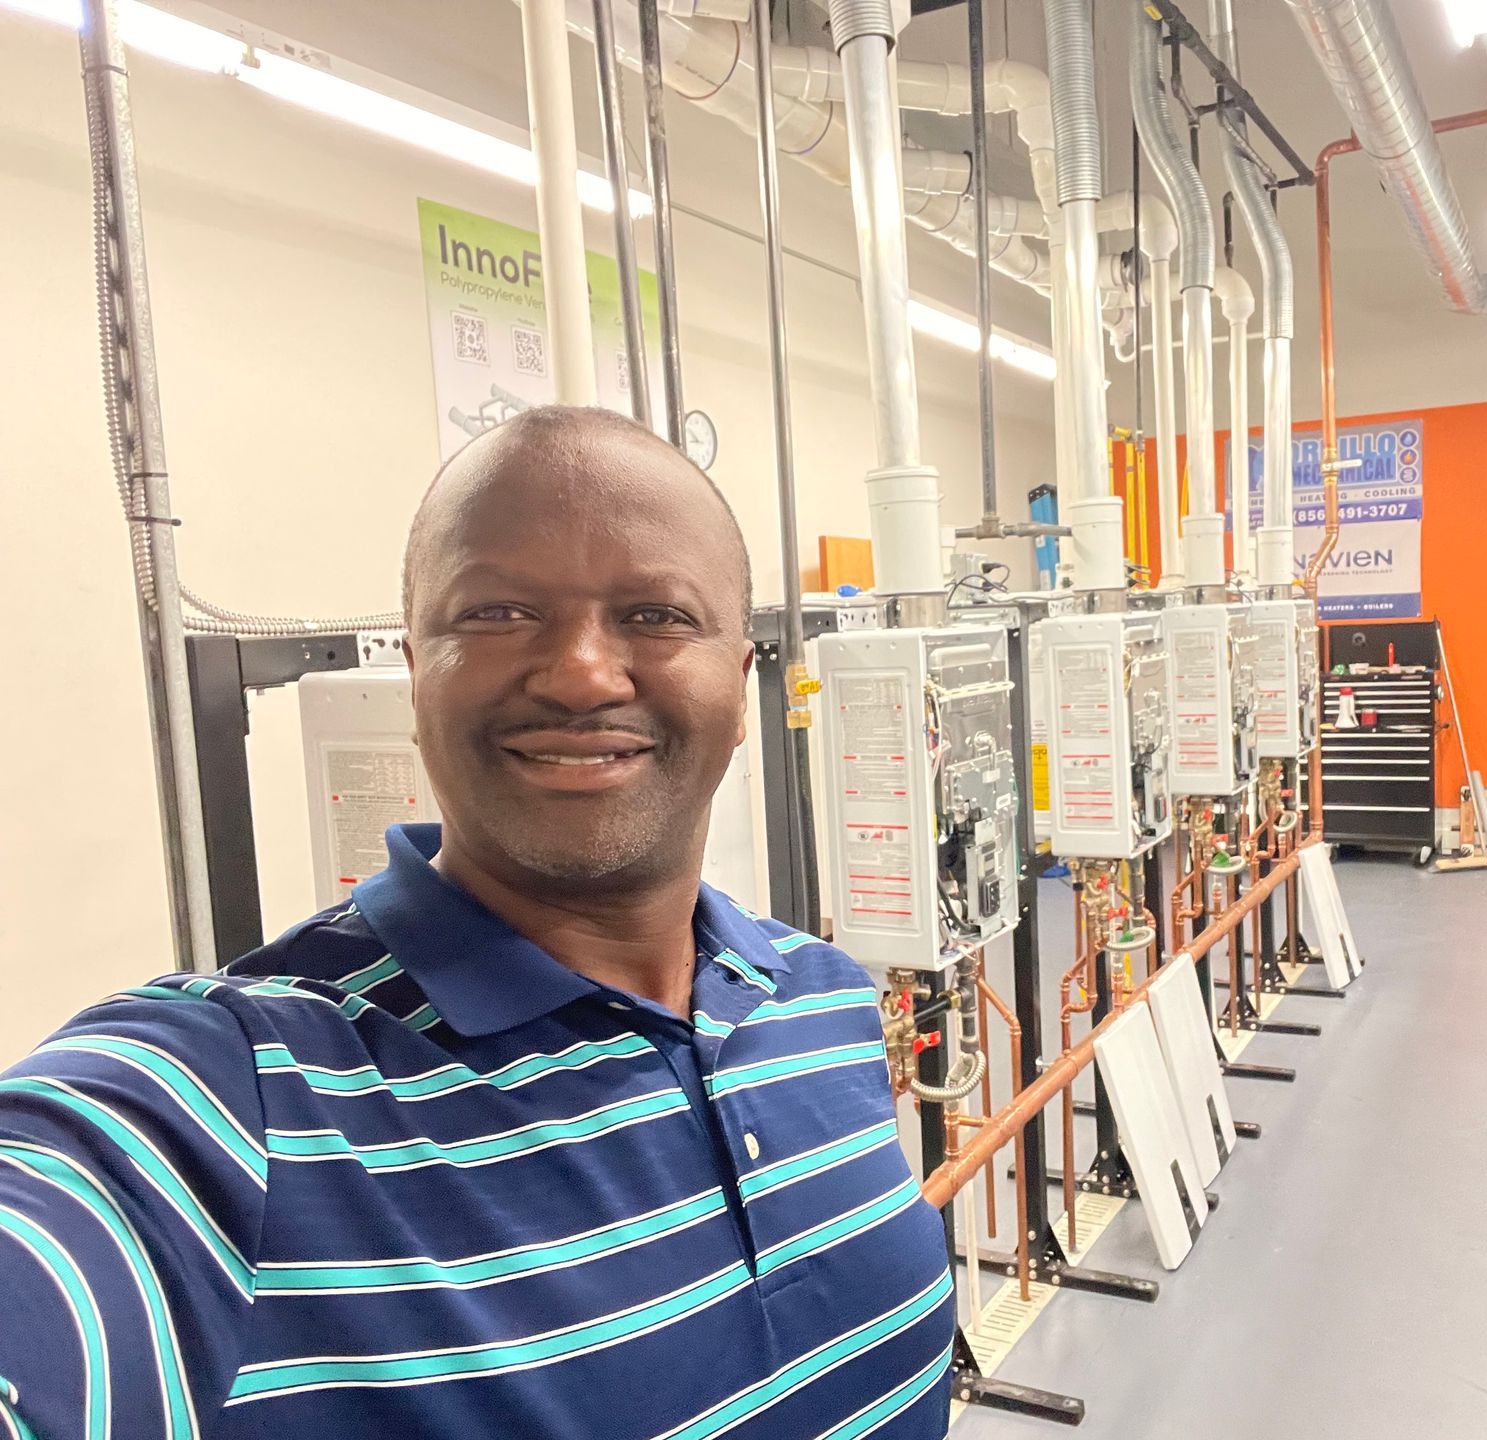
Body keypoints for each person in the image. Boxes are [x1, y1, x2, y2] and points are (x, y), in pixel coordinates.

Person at [0, 406, 954, 1437]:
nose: (583, 673)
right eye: (499, 613)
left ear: (743, 677)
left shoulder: (820, 997)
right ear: (414, 664)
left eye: (658, 614)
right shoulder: (233, 1100)